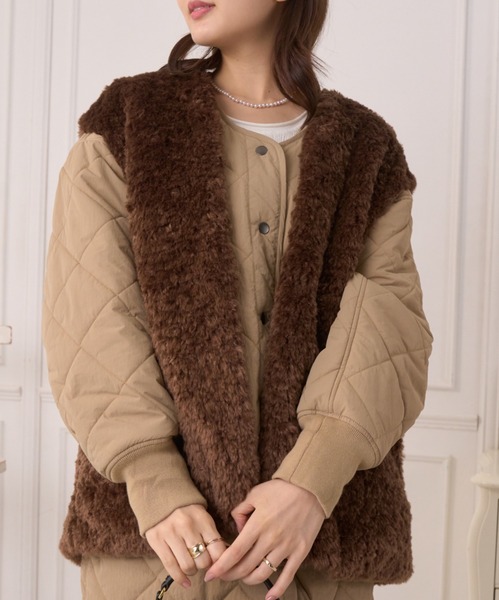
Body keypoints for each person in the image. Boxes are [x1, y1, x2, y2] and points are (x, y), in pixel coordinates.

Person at [42, 0, 433, 599]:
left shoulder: (366, 149)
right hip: (160, 550)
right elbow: (89, 320)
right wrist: (152, 476)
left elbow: (390, 327)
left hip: (311, 551)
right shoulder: (129, 123)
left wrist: (310, 481)